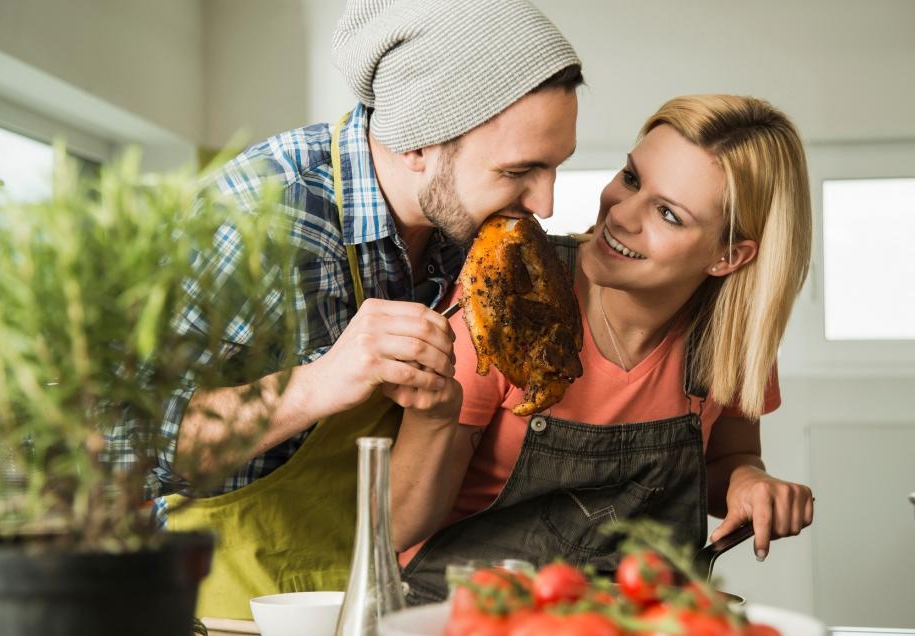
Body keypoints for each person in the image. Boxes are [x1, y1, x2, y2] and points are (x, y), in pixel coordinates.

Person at [107, 0, 583, 620]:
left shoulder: (461, 233)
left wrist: (437, 419)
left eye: (554, 168)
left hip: (364, 601)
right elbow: (121, 441)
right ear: (417, 144)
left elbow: (401, 514)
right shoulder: (261, 216)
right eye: (520, 170)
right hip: (208, 607)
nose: (544, 203)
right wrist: (319, 383)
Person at [390, 94, 816, 604]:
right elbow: (394, 526)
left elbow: (730, 458)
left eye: (668, 215)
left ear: (729, 257)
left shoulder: (730, 336)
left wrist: (749, 481)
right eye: (632, 178)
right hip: (468, 610)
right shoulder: (514, 292)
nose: (621, 215)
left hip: (632, 615)